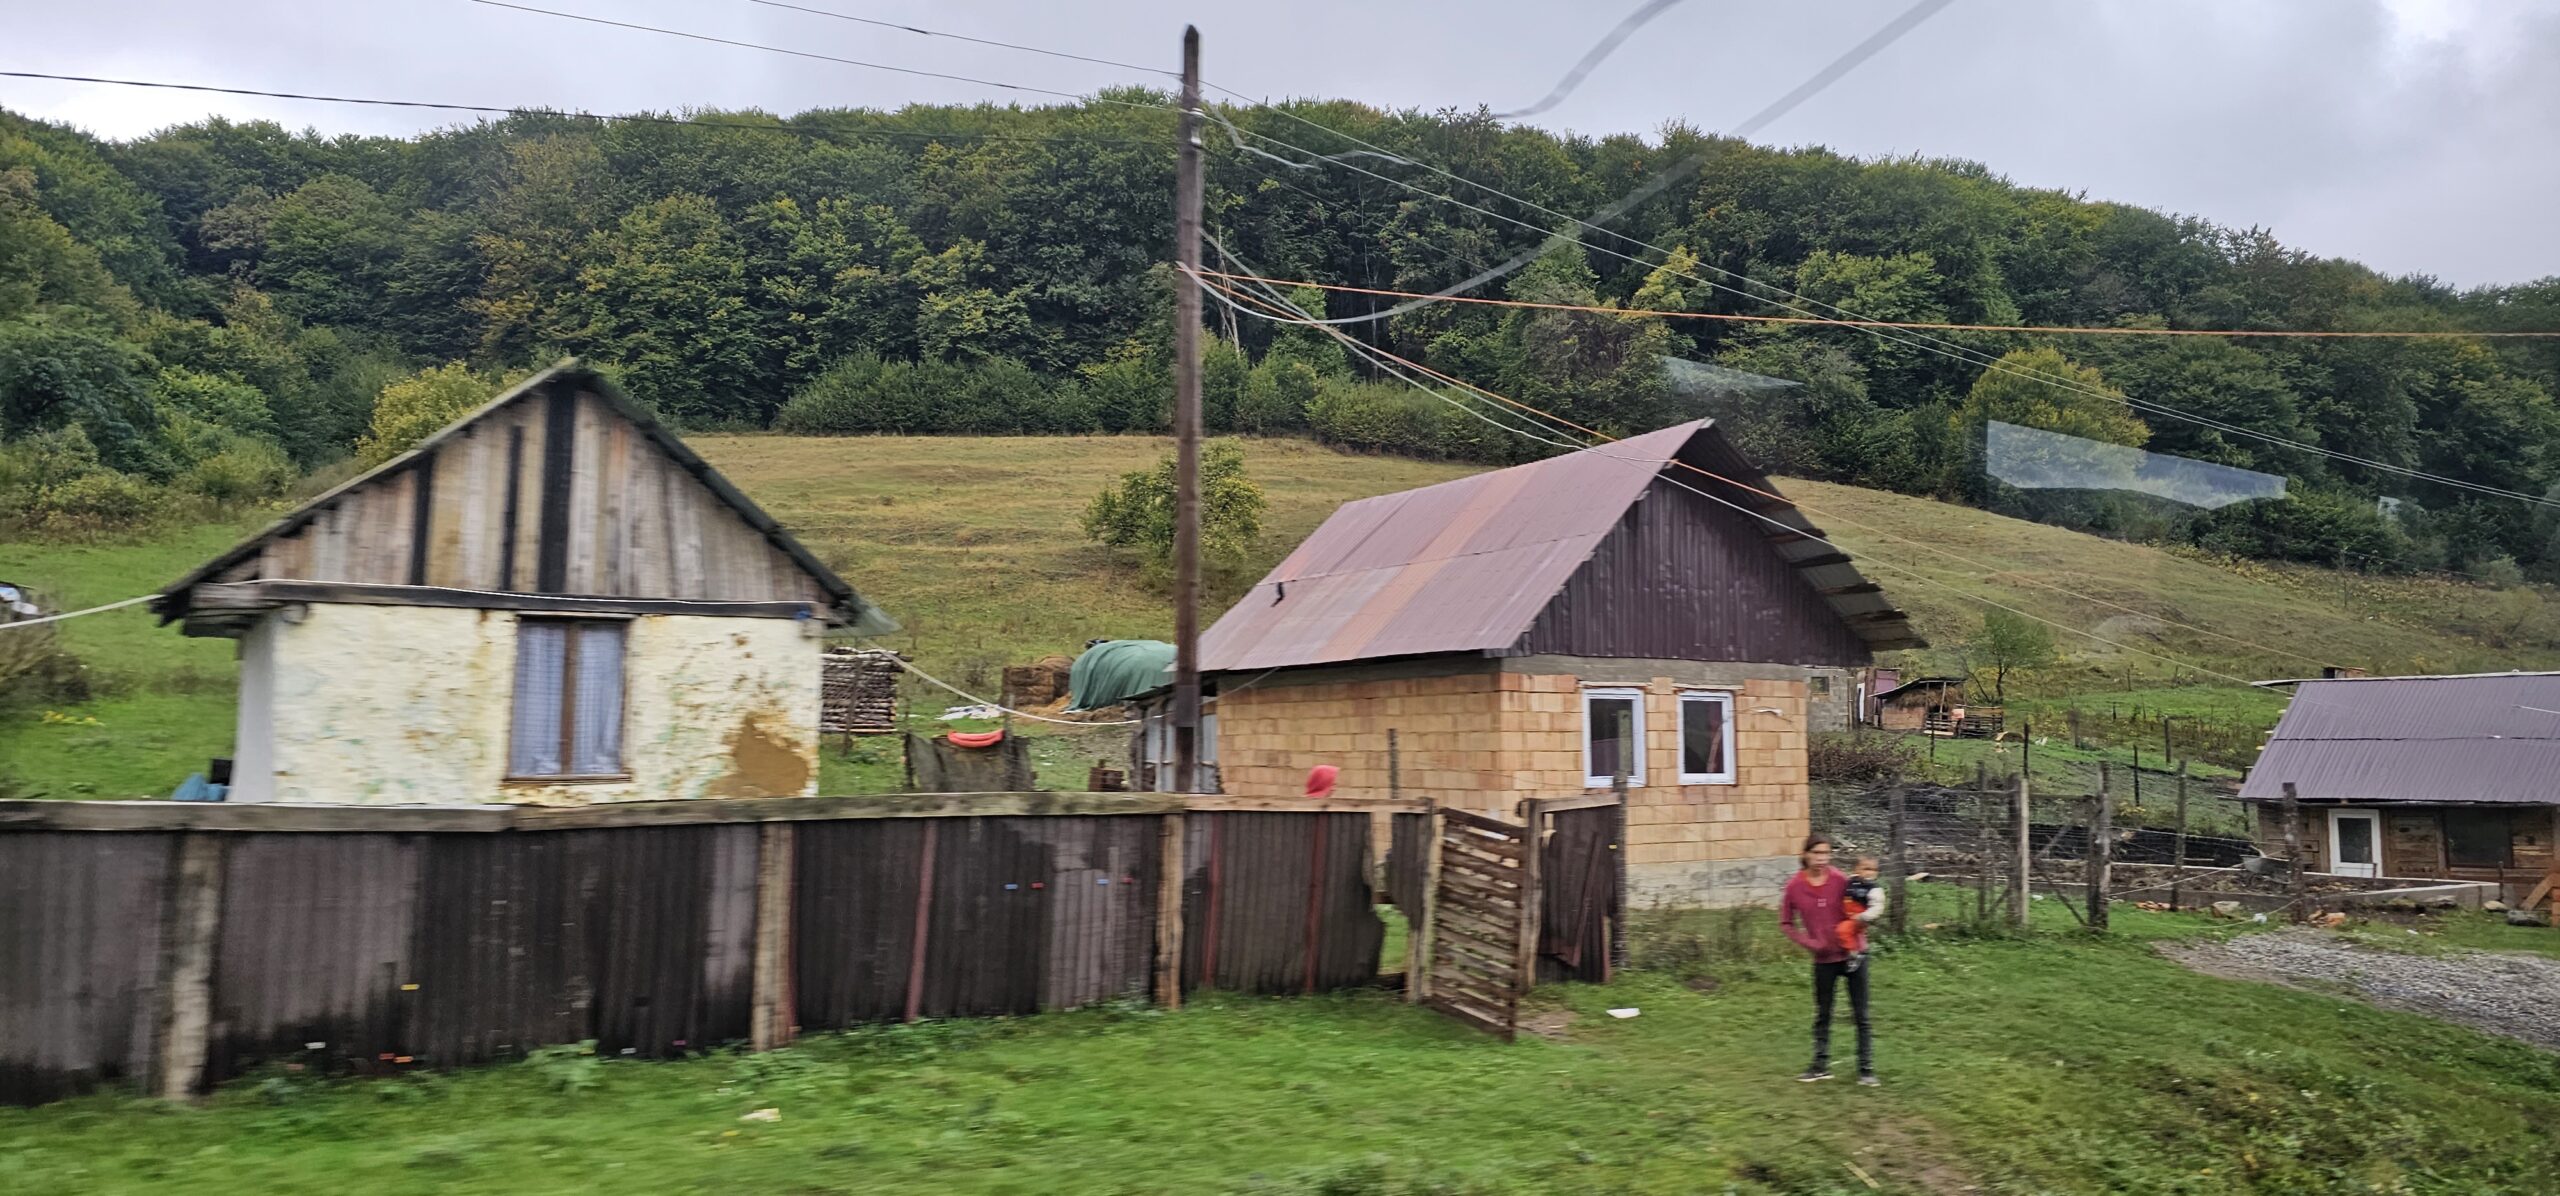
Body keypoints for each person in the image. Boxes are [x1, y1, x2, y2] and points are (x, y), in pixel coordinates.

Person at [1779, 833, 1875, 1085]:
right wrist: (1810, 944)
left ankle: (1866, 1070)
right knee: (1823, 1013)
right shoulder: (1794, 887)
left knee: (1861, 1014)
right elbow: (1786, 923)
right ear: (1805, 855)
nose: (1822, 858)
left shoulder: (1841, 880)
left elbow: (1860, 907)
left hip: (1854, 954)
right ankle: (1820, 1066)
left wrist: (1864, 919)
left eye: (1826, 853)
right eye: (1817, 853)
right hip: (1824, 960)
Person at [1836, 856, 1885, 974]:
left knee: (1843, 930)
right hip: (1847, 914)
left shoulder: (1874, 889)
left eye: (1874, 870)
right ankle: (1853, 948)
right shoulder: (1851, 881)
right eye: (1866, 869)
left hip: (1858, 918)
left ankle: (1854, 954)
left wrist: (1863, 917)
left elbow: (1877, 907)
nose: (1870, 873)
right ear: (1857, 869)